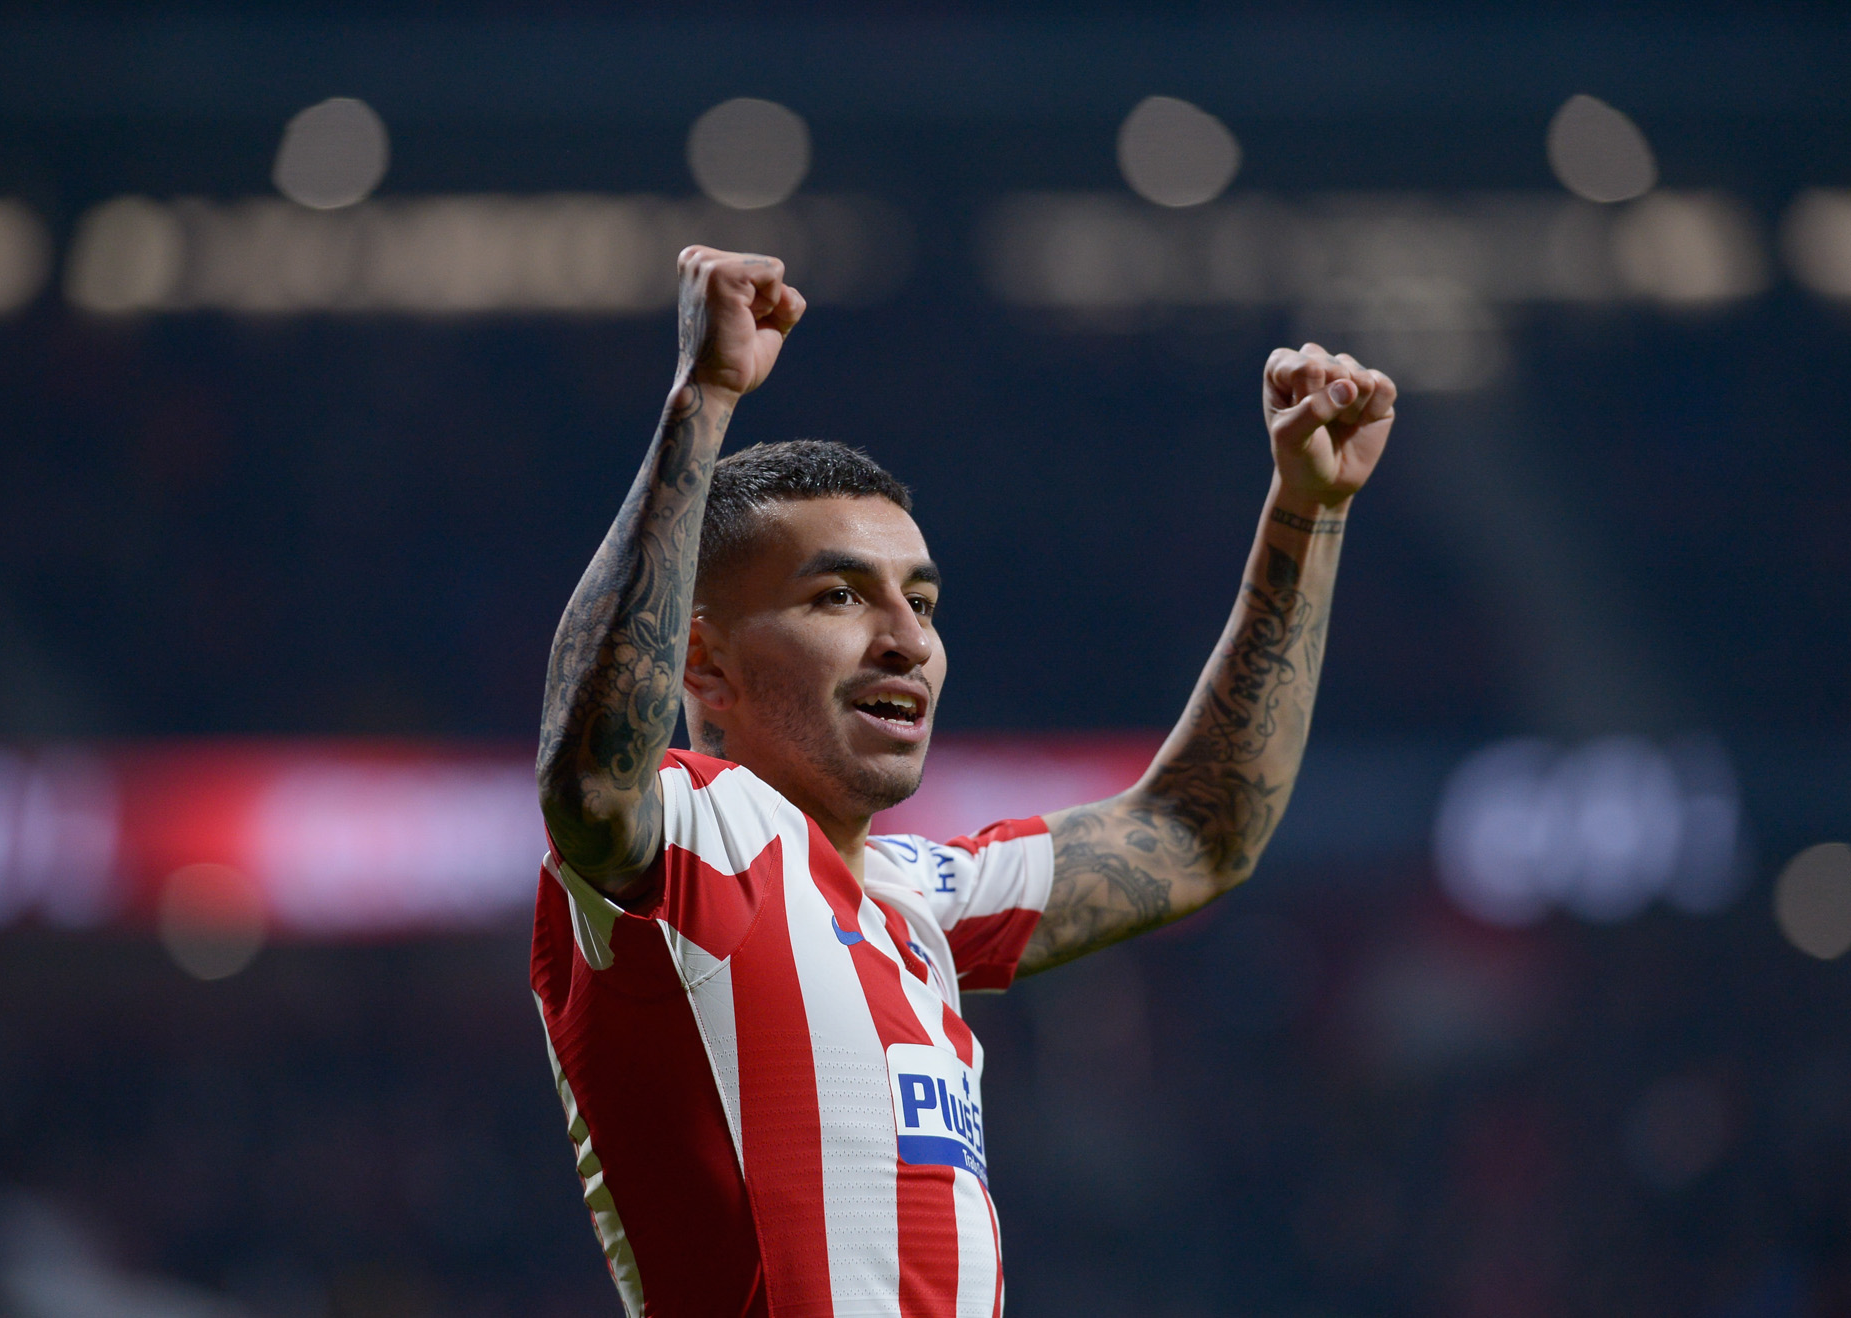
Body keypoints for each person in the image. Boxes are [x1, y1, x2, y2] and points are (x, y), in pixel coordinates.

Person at [531, 246, 1396, 1317]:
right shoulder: (691, 843)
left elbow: (1194, 833)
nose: (907, 639)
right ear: (701, 661)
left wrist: (1307, 511)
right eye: (840, 597)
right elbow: (589, 770)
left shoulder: (917, 896)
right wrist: (701, 401)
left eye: (925, 603)